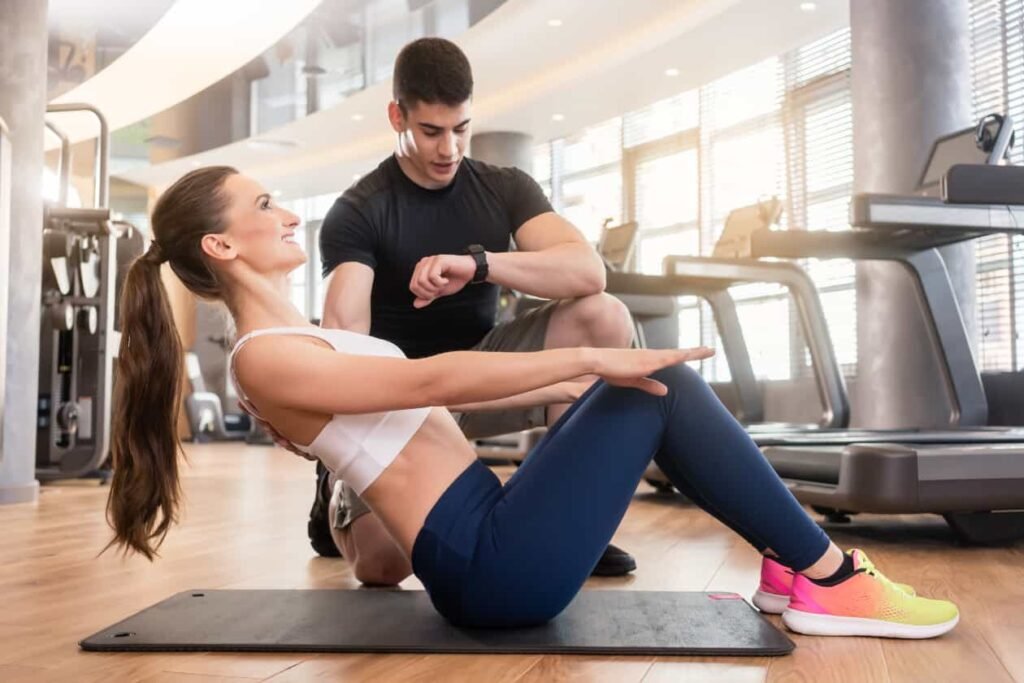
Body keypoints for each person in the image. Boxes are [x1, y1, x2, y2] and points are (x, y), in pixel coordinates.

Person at [106, 165, 960, 639]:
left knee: (639, 384)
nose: (287, 212)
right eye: (264, 205)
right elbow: (428, 382)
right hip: (486, 565)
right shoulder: (265, 359)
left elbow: (415, 419)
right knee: (662, 382)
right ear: (221, 243)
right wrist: (591, 356)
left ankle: (792, 564)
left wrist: (567, 383)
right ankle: (828, 575)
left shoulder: (295, 337)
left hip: (487, 523)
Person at [309, 36, 636, 582]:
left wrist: (478, 265)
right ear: (397, 117)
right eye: (431, 132)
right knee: (384, 568)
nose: (449, 150)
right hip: (402, 395)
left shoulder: (503, 188)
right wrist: (338, 441)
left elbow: (587, 272)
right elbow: (345, 336)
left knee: (603, 315)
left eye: (460, 129)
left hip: (481, 373)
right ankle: (334, 495)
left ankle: (565, 522)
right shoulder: (360, 210)